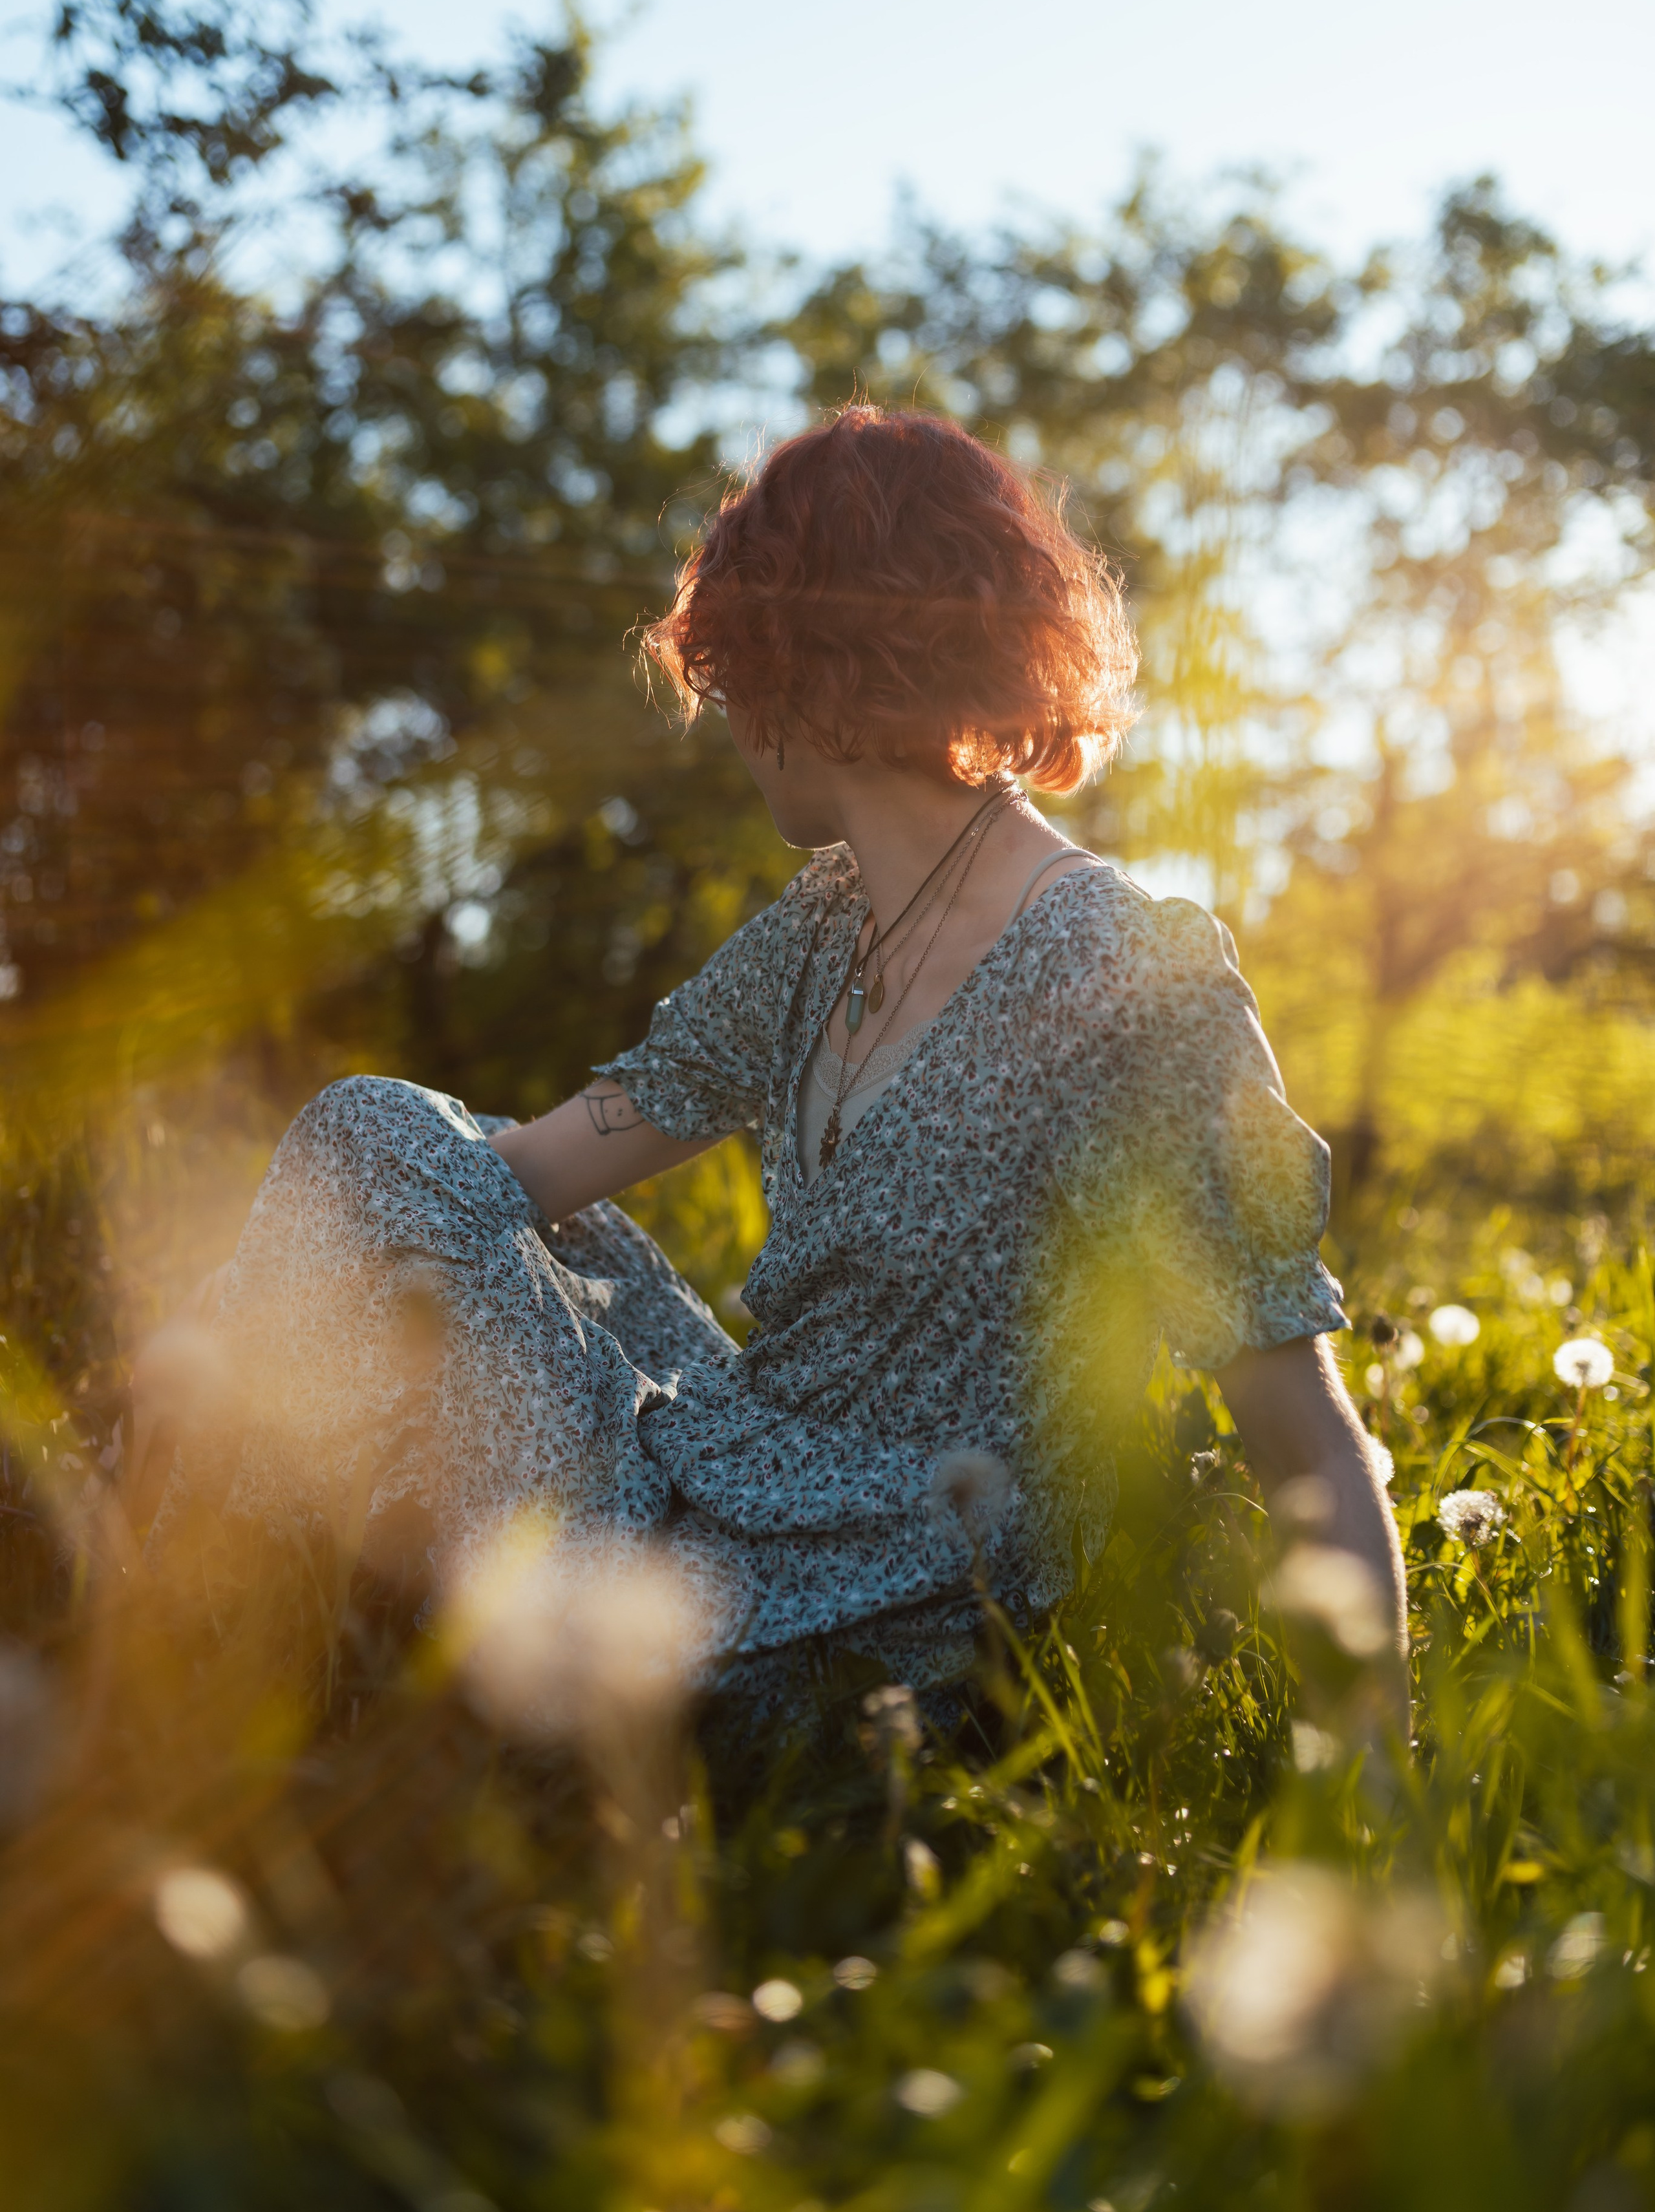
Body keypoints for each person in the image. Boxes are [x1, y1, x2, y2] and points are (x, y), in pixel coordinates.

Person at [137, 407, 1405, 1727]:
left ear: (815, 675)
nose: (729, 723)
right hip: (742, 1478)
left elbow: (1295, 1412)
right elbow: (518, 1172)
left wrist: (1377, 1787)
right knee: (398, 1154)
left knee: (368, 1141)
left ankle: (182, 1600)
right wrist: (258, 1300)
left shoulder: (1127, 974)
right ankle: (215, 1571)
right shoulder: (824, 926)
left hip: (894, 1600)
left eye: (737, 678)